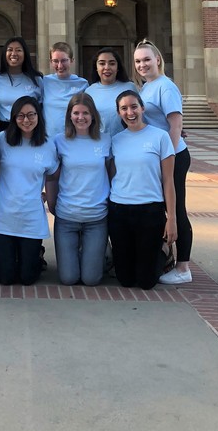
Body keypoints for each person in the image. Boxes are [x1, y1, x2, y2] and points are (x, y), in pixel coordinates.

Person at [133, 39, 193, 285]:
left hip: (173, 157)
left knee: (176, 209)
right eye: (138, 61)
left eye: (147, 59)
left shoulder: (165, 87)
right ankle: (166, 258)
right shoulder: (147, 87)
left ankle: (183, 268)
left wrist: (165, 159)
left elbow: (175, 125)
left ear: (158, 59)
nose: (142, 64)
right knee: (163, 208)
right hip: (159, 156)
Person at [108, 89, 176, 290]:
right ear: (119, 113)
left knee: (147, 282)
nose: (130, 112)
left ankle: (164, 251)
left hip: (150, 210)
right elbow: (111, 176)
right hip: (119, 209)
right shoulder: (116, 140)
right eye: (124, 108)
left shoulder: (160, 137)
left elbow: (168, 180)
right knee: (126, 280)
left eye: (134, 106)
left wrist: (171, 218)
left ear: (142, 108)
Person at [0, 96, 58, 285]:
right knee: (6, 278)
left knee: (28, 278)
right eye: (20, 116)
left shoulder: (48, 144)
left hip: (31, 217)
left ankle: (36, 256)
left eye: (31, 115)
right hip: (4, 215)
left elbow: (52, 175)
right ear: (13, 118)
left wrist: (49, 200)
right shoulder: (2, 140)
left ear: (39, 116)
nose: (26, 120)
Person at [46, 93, 111, 286]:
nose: (81, 117)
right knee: (69, 278)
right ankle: (88, 255)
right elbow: (52, 176)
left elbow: (111, 173)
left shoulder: (105, 140)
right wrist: (52, 203)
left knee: (91, 280)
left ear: (93, 116)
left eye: (85, 113)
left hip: (96, 218)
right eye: (76, 113)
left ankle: (101, 255)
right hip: (67, 217)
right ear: (69, 115)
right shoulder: (59, 141)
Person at [0, 36, 43, 132]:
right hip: (6, 128)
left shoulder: (36, 79)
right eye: (10, 50)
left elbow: (42, 107)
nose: (13, 54)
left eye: (18, 50)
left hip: (30, 129)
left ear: (25, 54)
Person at [41, 42, 88, 137]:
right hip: (49, 139)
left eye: (64, 61)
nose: (60, 66)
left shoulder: (82, 84)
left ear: (72, 60)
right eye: (55, 61)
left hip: (73, 139)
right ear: (50, 62)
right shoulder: (44, 82)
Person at [86, 47, 135, 137]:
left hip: (127, 141)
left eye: (112, 63)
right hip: (100, 144)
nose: (107, 67)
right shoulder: (89, 91)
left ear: (118, 67)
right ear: (96, 67)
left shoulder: (130, 87)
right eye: (102, 63)